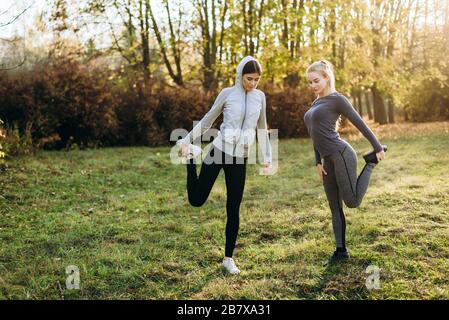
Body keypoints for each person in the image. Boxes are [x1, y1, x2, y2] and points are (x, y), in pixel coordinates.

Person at [177, 56, 272, 274]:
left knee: (233, 207)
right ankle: (191, 157)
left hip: (240, 159)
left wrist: (267, 156)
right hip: (219, 151)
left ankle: (228, 259)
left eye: (257, 80)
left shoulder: (260, 97)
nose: (253, 84)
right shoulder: (227, 94)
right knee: (197, 199)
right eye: (249, 79)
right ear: (240, 75)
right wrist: (187, 140)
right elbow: (208, 119)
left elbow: (262, 127)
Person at [304, 60, 387, 263]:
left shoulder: (337, 99)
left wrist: (377, 147)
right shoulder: (315, 104)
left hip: (341, 153)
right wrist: (317, 162)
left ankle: (370, 163)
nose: (313, 86)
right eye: (310, 82)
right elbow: (314, 135)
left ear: (326, 78)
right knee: (334, 206)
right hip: (327, 160)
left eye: (316, 81)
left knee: (352, 201)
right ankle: (340, 251)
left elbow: (360, 123)